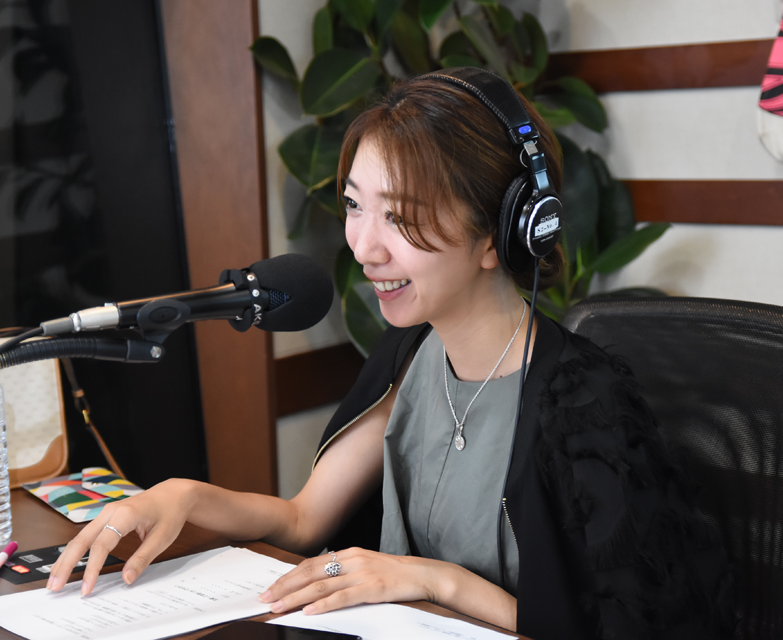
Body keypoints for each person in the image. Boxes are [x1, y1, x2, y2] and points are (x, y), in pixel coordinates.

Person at [48, 69, 734, 638]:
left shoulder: (585, 404)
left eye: (400, 217)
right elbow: (303, 520)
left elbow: (627, 629)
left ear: (499, 234)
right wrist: (184, 495)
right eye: (355, 206)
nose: (364, 247)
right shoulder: (410, 356)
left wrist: (438, 582)